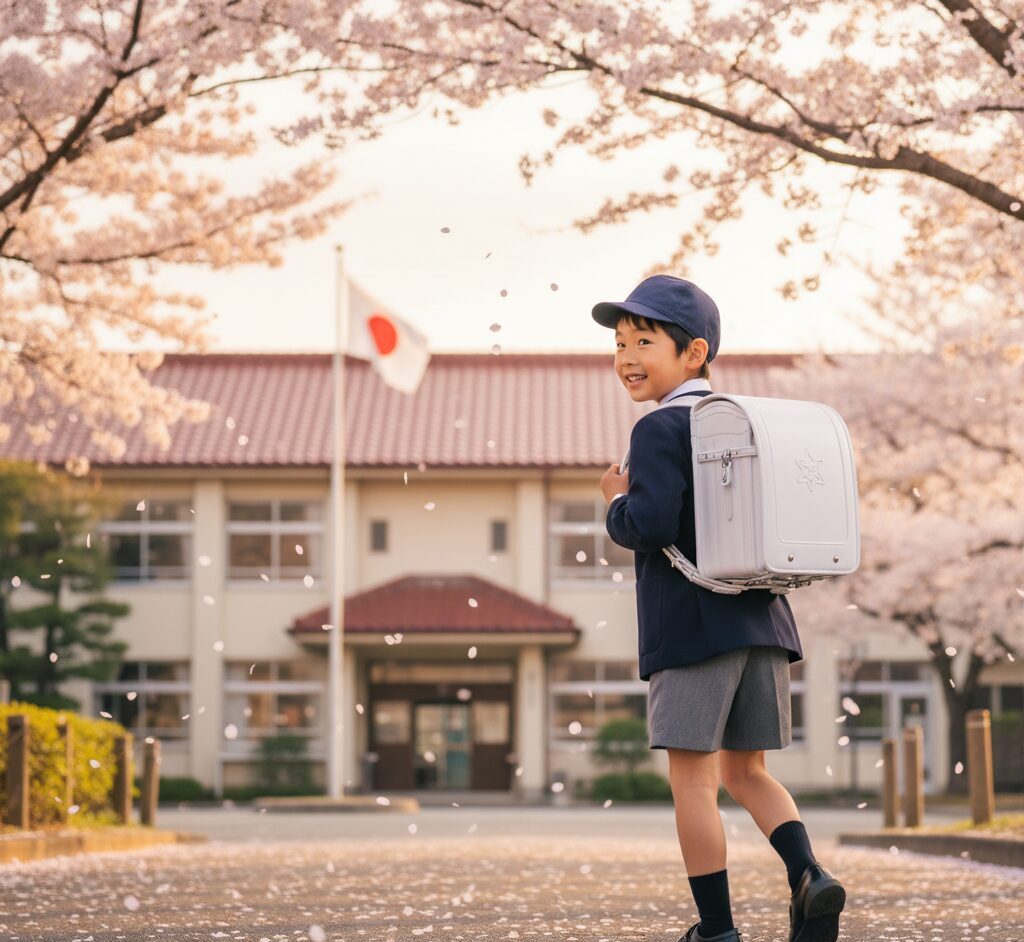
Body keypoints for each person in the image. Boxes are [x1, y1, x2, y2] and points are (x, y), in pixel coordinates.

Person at [593, 275, 846, 942]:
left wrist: (614, 503)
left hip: (692, 628)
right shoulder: (743, 421)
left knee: (695, 784)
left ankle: (717, 929)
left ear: (694, 351)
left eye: (644, 340)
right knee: (748, 772)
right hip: (764, 623)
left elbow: (647, 525)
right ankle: (811, 876)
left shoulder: (658, 429)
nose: (626, 356)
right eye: (619, 343)